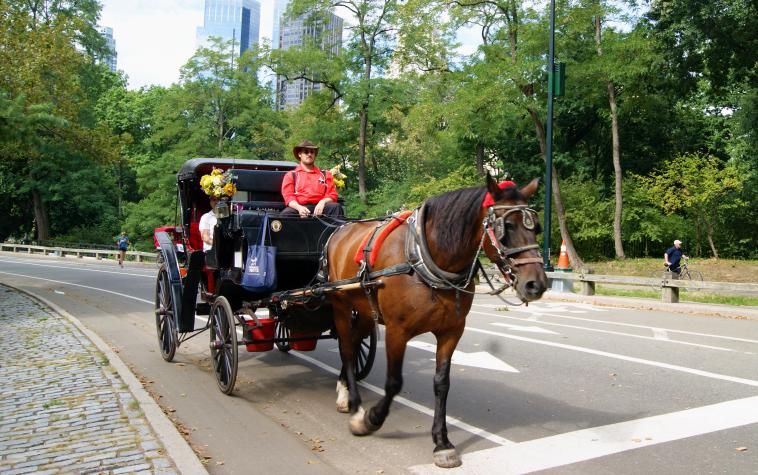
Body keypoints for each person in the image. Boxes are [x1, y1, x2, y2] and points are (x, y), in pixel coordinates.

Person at [280, 140, 343, 217]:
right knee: (286, 214)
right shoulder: (291, 175)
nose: (309, 154)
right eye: (306, 152)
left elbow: (332, 195)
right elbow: (288, 197)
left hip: (321, 207)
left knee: (336, 207)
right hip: (299, 207)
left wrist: (322, 202)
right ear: (300, 154)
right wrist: (299, 208)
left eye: (312, 152)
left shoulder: (326, 174)